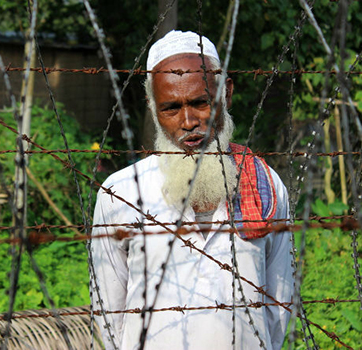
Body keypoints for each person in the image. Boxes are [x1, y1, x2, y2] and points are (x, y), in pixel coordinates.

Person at [90, 30, 294, 350]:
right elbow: (108, 312)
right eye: (171, 108)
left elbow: (279, 305)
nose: (188, 121)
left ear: (225, 93)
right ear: (152, 106)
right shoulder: (122, 195)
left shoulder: (265, 187)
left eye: (201, 102)